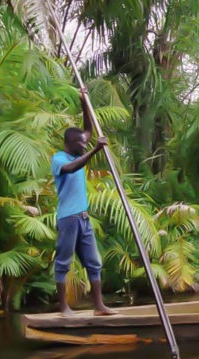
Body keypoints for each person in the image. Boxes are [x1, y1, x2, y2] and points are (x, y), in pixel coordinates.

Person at [52, 88, 115, 316]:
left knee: (93, 262)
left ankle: (98, 306)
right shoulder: (60, 159)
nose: (85, 144)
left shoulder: (79, 144)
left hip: (84, 218)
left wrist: (84, 102)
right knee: (63, 262)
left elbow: (88, 130)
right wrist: (95, 151)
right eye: (81, 144)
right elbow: (72, 167)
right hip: (68, 218)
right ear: (70, 143)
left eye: (86, 144)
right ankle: (64, 307)